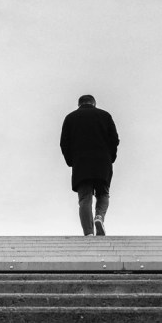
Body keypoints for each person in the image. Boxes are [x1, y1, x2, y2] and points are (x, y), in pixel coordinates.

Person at [60, 94, 119, 236]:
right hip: (102, 162)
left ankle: (89, 233)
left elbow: (64, 143)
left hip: (81, 163)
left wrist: (71, 161)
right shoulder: (105, 116)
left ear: (79, 104)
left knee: (85, 198)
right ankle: (99, 217)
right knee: (103, 193)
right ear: (94, 103)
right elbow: (114, 139)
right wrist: (111, 157)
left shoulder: (70, 118)